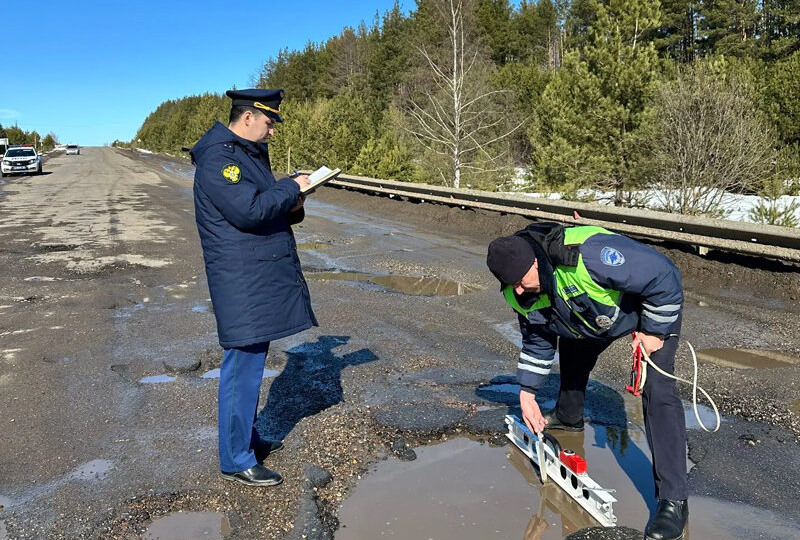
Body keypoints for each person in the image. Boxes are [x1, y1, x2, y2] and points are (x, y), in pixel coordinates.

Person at [486, 222, 688, 540]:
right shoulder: (520, 290)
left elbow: (663, 276)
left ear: (536, 262)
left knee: (658, 390)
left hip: (646, 308)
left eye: (521, 281)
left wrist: (653, 331)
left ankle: (673, 501)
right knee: (571, 344)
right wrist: (527, 392)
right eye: (511, 285)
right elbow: (538, 338)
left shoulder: (589, 257)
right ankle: (569, 416)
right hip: (590, 319)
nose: (519, 291)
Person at [190, 88, 317, 487]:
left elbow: (266, 206)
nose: (272, 131)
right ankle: (236, 458)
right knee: (241, 369)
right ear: (248, 118)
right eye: (268, 122)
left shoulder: (245, 156)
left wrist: (294, 200)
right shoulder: (220, 160)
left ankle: (246, 438)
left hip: (253, 276)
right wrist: (292, 186)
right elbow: (249, 211)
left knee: (252, 364)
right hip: (241, 280)